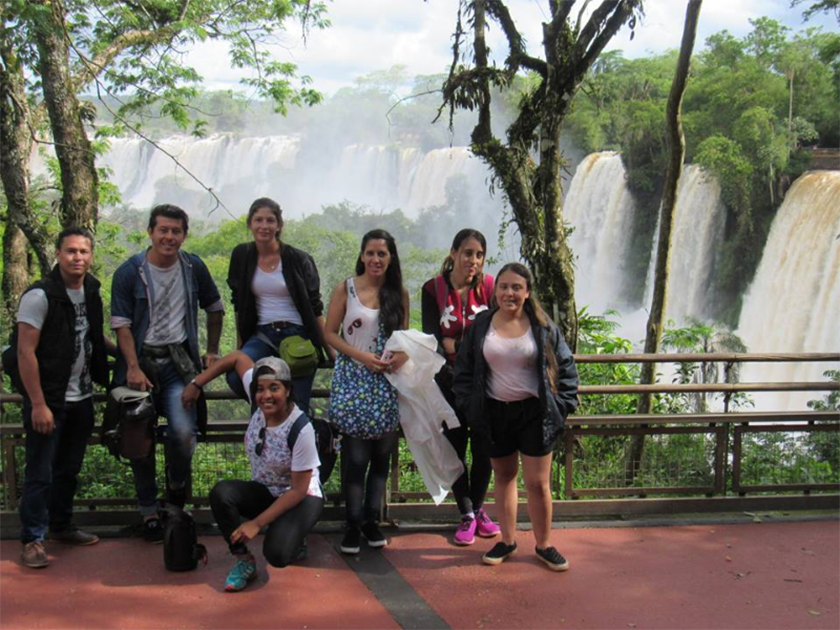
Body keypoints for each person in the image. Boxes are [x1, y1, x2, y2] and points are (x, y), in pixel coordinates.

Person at [453, 263, 579, 571]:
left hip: (534, 412)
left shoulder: (542, 325)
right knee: (504, 477)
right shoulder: (481, 325)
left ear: (527, 292)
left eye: (516, 288)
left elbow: (566, 367)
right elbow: (465, 369)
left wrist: (561, 405)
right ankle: (507, 540)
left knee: (538, 483)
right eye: (504, 287)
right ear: (494, 290)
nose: (509, 293)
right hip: (495, 411)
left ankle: (544, 544)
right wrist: (471, 407)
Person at [110, 204, 224, 542]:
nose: (169, 237)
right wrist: (131, 366)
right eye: (163, 230)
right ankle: (148, 512)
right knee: (138, 439)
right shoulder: (130, 272)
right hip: (141, 364)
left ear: (184, 235)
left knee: (183, 433)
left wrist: (213, 350)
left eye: (176, 231)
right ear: (150, 232)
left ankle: (176, 493)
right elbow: (122, 325)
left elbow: (214, 307)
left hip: (179, 365)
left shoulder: (193, 267)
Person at [13, 228, 114, 568]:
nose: (78, 258)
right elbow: (26, 353)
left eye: (84, 251)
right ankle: (32, 539)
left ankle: (60, 525)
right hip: (50, 398)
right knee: (40, 472)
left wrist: (131, 356)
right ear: (58, 254)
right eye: (71, 251)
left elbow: (91, 334)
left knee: (68, 469)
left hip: (82, 397)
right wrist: (38, 403)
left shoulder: (91, 291)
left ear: (91, 256)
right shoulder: (40, 296)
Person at [183, 354, 323, 592]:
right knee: (222, 493)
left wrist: (256, 524)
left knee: (277, 554)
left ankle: (295, 536)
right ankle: (244, 561)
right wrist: (197, 383)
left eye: (274, 388)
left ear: (288, 390)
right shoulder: (258, 403)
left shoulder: (301, 429)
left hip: (300, 496)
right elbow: (237, 358)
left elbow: (299, 490)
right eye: (260, 389)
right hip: (266, 490)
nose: (266, 395)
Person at [324, 229, 409, 554]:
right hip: (353, 380)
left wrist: (399, 357)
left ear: (391, 259)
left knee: (381, 458)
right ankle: (353, 524)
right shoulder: (345, 289)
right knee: (356, 458)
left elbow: (404, 338)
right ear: (361, 255)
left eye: (382, 254)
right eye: (370, 253)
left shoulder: (397, 292)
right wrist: (361, 357)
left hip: (387, 383)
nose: (375, 259)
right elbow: (330, 333)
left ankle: (372, 521)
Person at [421, 228, 500, 545]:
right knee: (455, 449)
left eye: (479, 255)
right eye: (467, 253)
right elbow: (432, 341)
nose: (473, 260)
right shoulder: (432, 290)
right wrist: (453, 348)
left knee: (484, 451)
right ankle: (466, 513)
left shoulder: (491, 287)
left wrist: (456, 345)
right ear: (453, 253)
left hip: (486, 383)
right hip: (449, 384)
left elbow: (498, 333)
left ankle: (478, 509)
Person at [226, 197, 332, 415]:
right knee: (236, 377)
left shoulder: (299, 259)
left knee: (298, 409)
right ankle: (269, 420)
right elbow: (239, 303)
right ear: (250, 224)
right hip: (262, 335)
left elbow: (315, 308)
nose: (264, 226)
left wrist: (331, 351)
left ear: (279, 225)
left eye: (270, 220)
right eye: (258, 220)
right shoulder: (242, 255)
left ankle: (291, 432)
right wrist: (241, 345)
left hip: (297, 335)